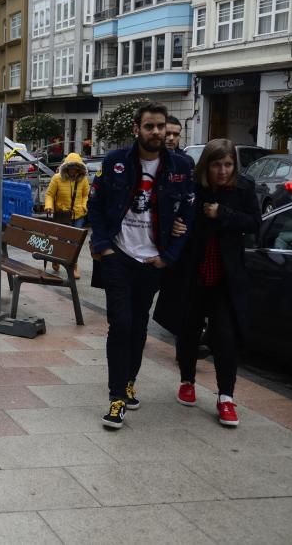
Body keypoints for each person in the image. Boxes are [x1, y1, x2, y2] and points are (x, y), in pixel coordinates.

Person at [87, 102, 195, 430]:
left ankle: (130, 380)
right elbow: (95, 204)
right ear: (137, 128)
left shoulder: (180, 167)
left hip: (152, 261)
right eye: (150, 126)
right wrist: (103, 247)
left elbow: (187, 214)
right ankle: (116, 396)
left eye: (161, 127)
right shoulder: (116, 161)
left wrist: (169, 256)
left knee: (138, 325)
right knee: (120, 324)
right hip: (118, 257)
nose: (157, 132)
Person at [153, 139, 260, 427]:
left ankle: (226, 396)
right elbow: (169, 213)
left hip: (226, 278)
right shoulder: (193, 189)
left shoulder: (244, 189)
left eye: (228, 165)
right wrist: (174, 225)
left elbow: (254, 223)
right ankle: (187, 380)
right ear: (206, 166)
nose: (223, 171)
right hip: (193, 273)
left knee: (225, 337)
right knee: (188, 331)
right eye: (217, 165)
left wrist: (222, 214)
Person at [44, 152, 90, 279]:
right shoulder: (57, 178)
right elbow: (49, 194)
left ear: (80, 168)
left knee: (75, 242)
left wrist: (84, 205)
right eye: (71, 167)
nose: (73, 170)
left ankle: (73, 266)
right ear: (66, 167)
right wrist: (49, 206)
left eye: (76, 167)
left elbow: (86, 194)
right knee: (63, 240)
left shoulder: (83, 179)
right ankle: (57, 259)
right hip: (63, 214)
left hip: (79, 214)